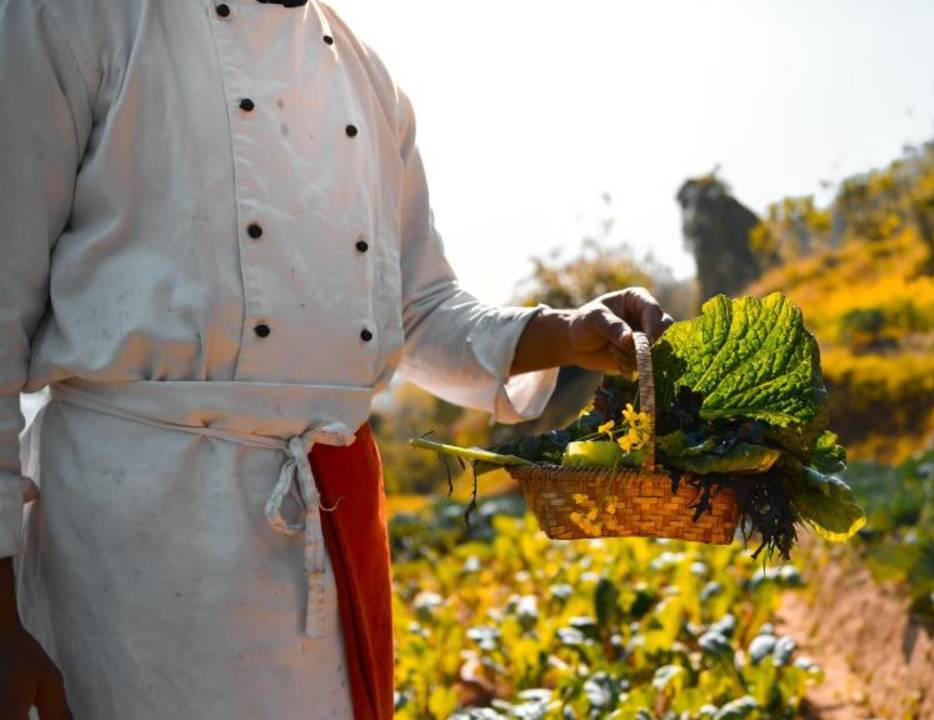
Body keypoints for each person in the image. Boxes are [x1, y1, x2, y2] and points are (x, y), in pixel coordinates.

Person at [0, 1, 671, 717]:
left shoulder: (366, 79)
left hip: (320, 540)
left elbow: (417, 307)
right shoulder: (71, 20)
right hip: (129, 551)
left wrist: (565, 332)